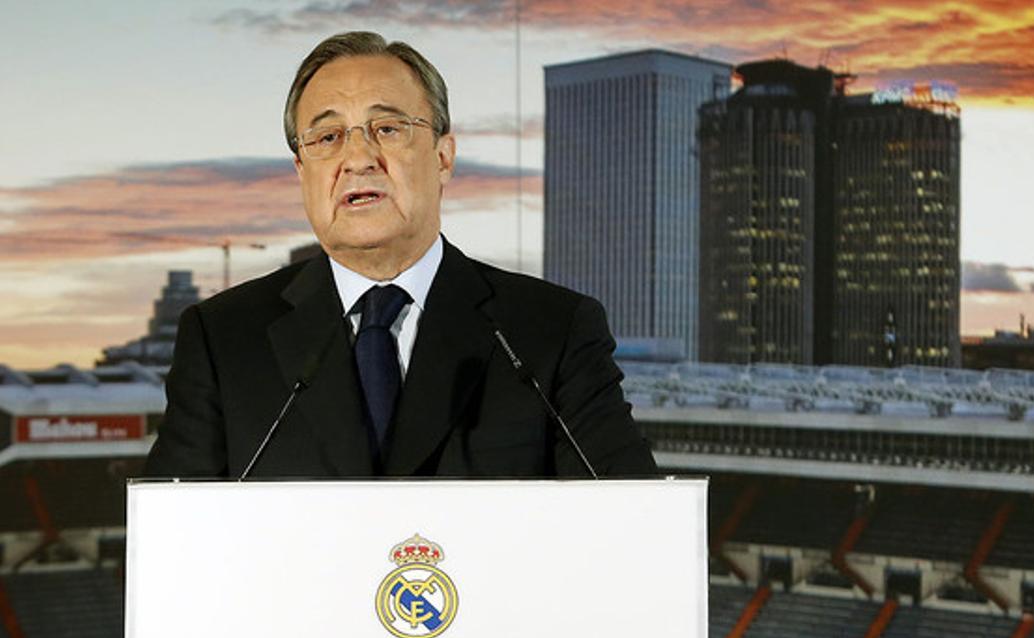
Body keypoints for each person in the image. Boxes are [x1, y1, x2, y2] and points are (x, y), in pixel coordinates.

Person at [143, 32, 656, 478]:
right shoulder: (223, 339)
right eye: (327, 136)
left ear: (442, 157)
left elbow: (632, 522)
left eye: (387, 128)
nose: (358, 157)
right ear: (302, 172)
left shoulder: (551, 330)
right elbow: (172, 541)